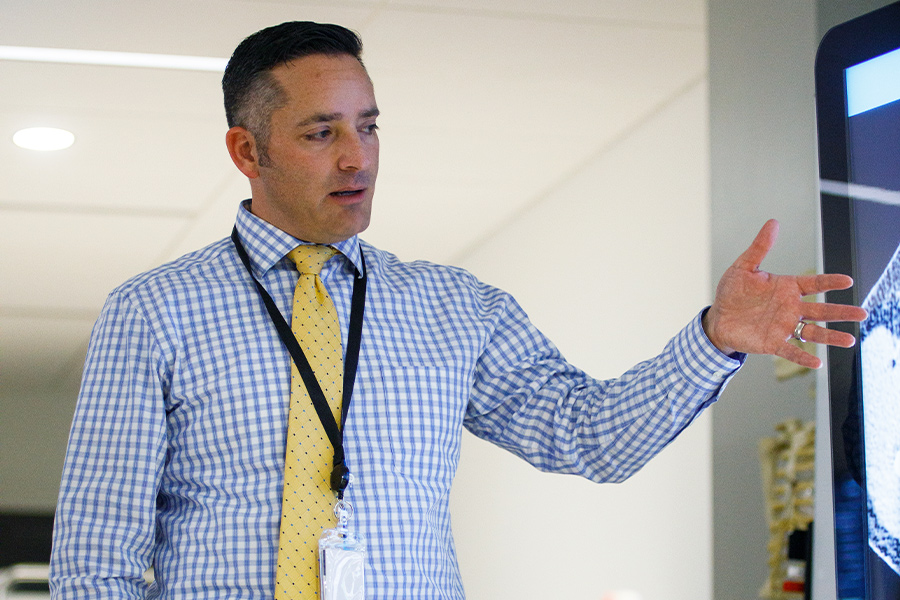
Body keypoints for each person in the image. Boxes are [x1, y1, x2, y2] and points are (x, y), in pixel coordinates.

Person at [49, 21, 867, 599]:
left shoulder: (454, 308)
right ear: (246, 151)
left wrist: (715, 340)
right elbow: (95, 562)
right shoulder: (153, 312)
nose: (355, 157)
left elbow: (591, 436)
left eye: (368, 127)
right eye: (319, 132)